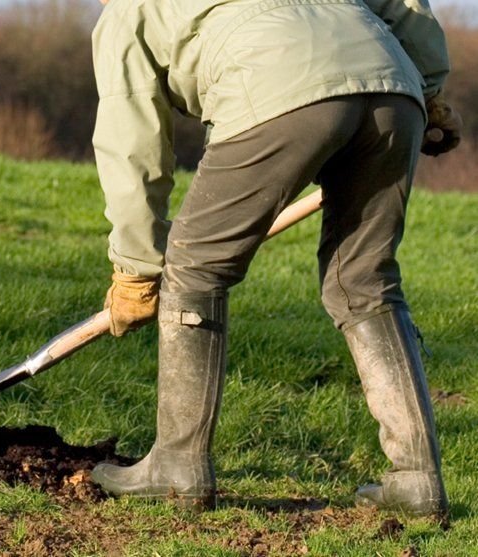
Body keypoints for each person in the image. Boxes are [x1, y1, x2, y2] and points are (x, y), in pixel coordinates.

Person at [91, 0, 462, 518]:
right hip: (390, 83)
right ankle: (418, 482)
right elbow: (403, 7)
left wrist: (135, 266)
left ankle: (178, 466)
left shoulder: (126, 12)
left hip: (275, 86)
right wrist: (428, 89)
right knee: (364, 281)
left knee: (194, 266)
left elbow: (132, 146)